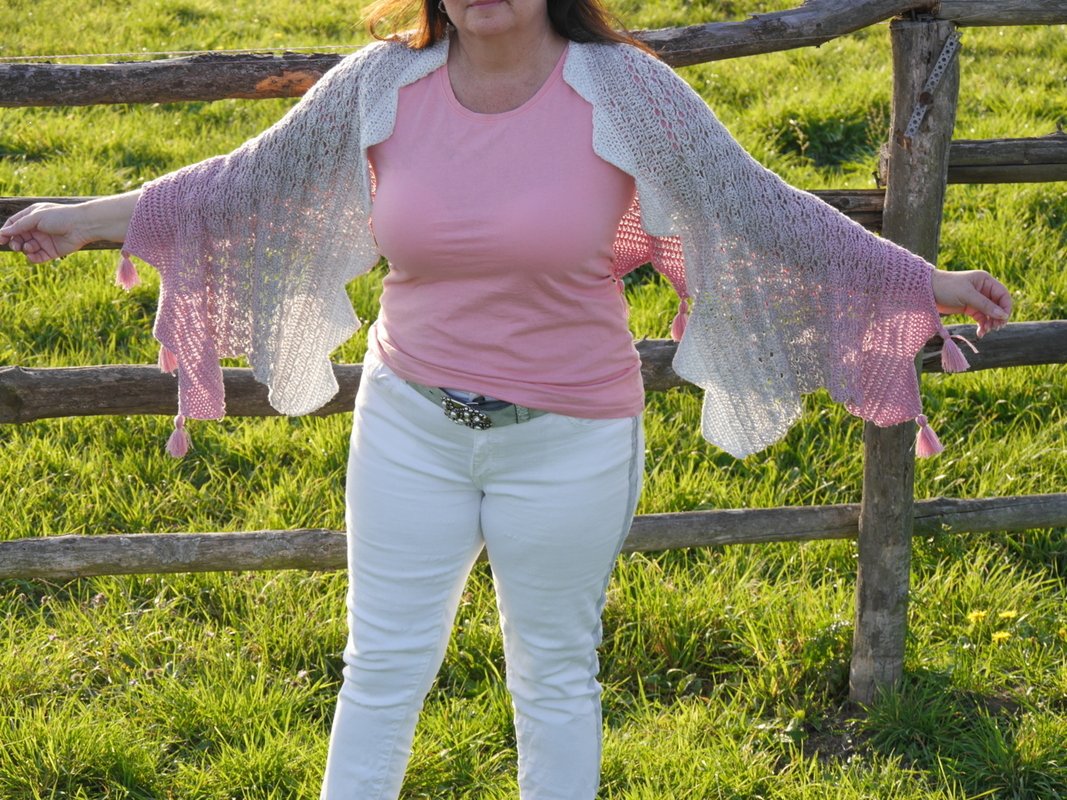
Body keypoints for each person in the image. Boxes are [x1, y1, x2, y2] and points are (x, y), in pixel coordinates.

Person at [1, 0, 1012, 797]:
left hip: (569, 437)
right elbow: (241, 183)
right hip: (409, 423)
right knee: (379, 671)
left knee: (554, 675)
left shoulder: (624, 89)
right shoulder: (382, 82)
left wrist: (920, 283)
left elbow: (757, 207)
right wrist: (84, 218)